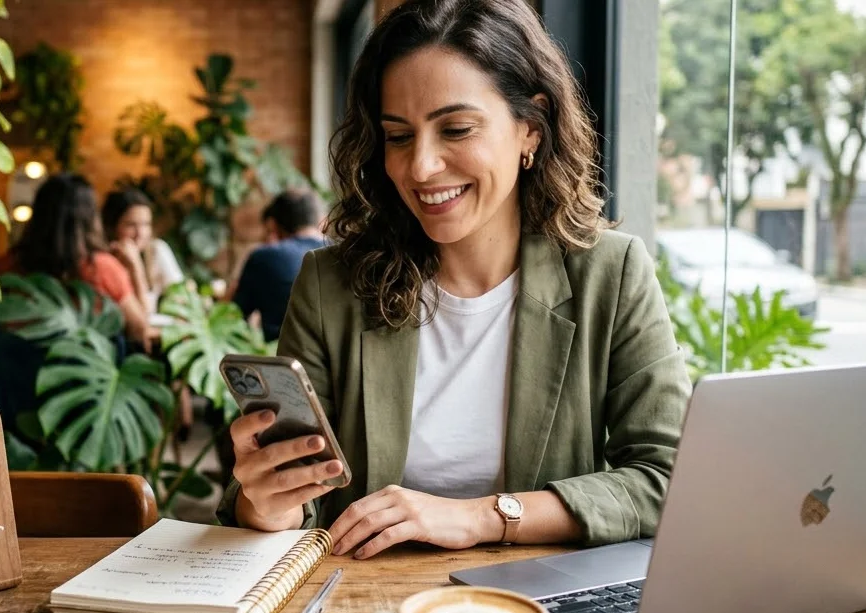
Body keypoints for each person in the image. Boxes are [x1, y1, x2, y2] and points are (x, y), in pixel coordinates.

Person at [217, 0, 692, 559]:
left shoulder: (610, 275)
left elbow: (673, 480)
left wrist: (484, 517)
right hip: (362, 607)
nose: (420, 167)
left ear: (530, 129)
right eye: (398, 137)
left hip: (539, 612)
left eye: (457, 129)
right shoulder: (331, 287)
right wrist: (270, 504)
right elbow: (298, 502)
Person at [1, 173, 153, 351]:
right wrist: (136, 269)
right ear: (90, 218)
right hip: (87, 376)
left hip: (19, 373)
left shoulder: (9, 265)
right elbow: (140, 329)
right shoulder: (101, 268)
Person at [228, 189, 327, 341]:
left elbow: (233, 318)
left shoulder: (264, 257)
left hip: (283, 359)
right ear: (322, 220)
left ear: (272, 225)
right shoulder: (346, 254)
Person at [100, 188, 185, 313]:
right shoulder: (104, 261)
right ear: (112, 227)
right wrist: (135, 266)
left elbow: (182, 296)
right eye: (131, 225)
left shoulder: (156, 250)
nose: (140, 233)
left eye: (146, 224)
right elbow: (141, 317)